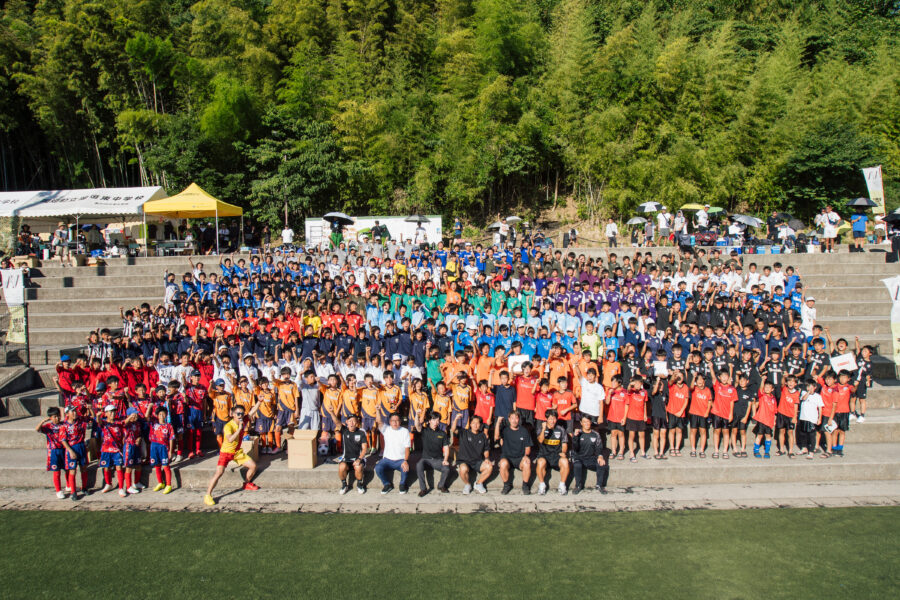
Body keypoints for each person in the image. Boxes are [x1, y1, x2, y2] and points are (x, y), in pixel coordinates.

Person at [204, 402, 262, 506]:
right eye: (238, 414)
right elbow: (230, 439)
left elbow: (252, 412)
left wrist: (260, 402)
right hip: (226, 453)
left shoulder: (243, 420)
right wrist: (239, 429)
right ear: (233, 414)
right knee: (219, 473)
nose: (240, 416)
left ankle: (246, 483)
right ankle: (208, 495)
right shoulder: (228, 426)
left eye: (242, 414)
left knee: (253, 466)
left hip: (237, 452)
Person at [414, 410, 451, 496]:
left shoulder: (442, 434)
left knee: (446, 469)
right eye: (434, 420)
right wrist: (417, 415)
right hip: (426, 459)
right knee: (419, 465)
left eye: (438, 420)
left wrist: (445, 460)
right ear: (429, 421)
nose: (436, 422)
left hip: (438, 459)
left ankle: (441, 485)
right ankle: (423, 489)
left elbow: (446, 448)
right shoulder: (425, 431)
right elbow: (417, 425)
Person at [571, 415, 609, 494]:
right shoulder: (578, 433)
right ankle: (578, 485)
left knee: (602, 464)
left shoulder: (595, 434)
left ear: (591, 422)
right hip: (579, 457)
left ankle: (599, 485)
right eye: (584, 422)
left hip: (591, 458)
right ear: (581, 423)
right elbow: (575, 448)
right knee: (577, 465)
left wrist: (600, 456)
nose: (587, 424)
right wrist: (575, 437)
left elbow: (599, 447)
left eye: (588, 421)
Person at [374, 413, 411, 494]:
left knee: (405, 468)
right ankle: (387, 484)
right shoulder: (386, 429)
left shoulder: (405, 431)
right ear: (389, 422)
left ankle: (402, 484)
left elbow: (407, 448)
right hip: (387, 460)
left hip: (400, 460)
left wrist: (405, 460)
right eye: (393, 421)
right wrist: (378, 410)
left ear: (400, 421)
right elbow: (379, 421)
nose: (395, 423)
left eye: (397, 420)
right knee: (378, 468)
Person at [535, 410, 570, 495]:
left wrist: (563, 452)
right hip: (544, 455)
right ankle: (542, 485)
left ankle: (562, 485)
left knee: (565, 461)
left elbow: (564, 444)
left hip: (556, 455)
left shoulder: (561, 430)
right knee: (540, 462)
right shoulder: (541, 428)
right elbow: (540, 440)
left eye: (554, 419)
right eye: (550, 419)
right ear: (546, 419)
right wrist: (544, 429)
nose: (552, 421)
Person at [498, 410, 532, 495]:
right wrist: (498, 423)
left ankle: (525, 486)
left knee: (527, 462)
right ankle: (506, 485)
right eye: (512, 418)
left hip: (519, 458)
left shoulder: (524, 431)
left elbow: (528, 447)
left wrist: (526, 456)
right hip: (507, 458)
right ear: (509, 419)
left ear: (519, 419)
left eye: (516, 418)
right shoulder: (505, 431)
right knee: (502, 463)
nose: (514, 420)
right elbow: (496, 436)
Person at [456, 415, 491, 494]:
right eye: (473, 423)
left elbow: (486, 450)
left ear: (480, 425)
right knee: (463, 469)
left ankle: (478, 483)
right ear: (470, 424)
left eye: (477, 423)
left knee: (489, 467)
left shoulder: (483, 436)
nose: (475, 425)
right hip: (464, 461)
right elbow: (453, 429)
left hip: (477, 461)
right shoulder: (464, 433)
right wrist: (455, 420)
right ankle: (467, 484)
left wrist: (487, 458)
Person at [36, 407, 67, 499]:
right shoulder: (48, 427)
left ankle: (68, 485)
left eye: (58, 416)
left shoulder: (64, 425)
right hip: (53, 451)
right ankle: (58, 490)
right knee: (56, 472)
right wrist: (43, 421)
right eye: (54, 417)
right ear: (50, 418)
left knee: (67, 469)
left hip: (64, 449)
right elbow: (37, 429)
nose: (57, 418)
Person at [337, 414, 368, 495]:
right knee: (341, 466)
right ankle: (344, 485)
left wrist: (359, 459)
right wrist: (332, 412)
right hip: (346, 458)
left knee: (358, 466)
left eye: (354, 421)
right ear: (346, 422)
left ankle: (359, 484)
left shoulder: (361, 432)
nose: (352, 423)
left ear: (357, 422)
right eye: (350, 421)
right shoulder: (344, 430)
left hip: (357, 458)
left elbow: (365, 448)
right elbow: (337, 422)